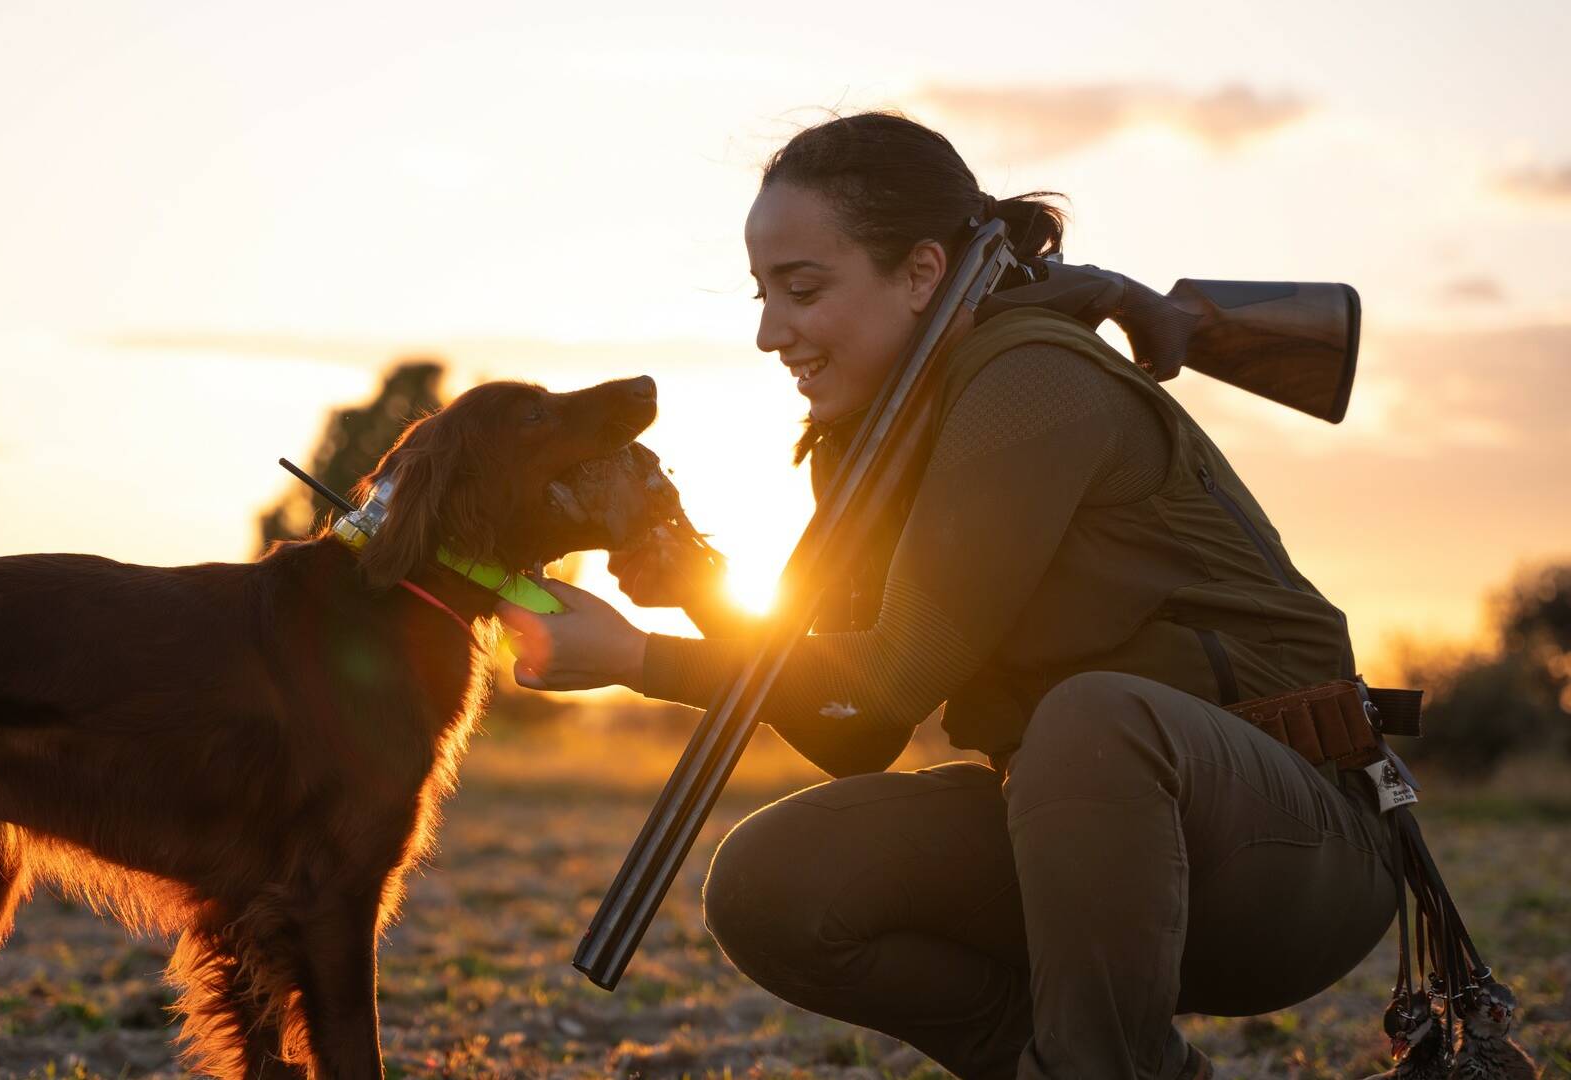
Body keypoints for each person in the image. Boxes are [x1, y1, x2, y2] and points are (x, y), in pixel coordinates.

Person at [497, 111, 1398, 1080]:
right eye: (763, 295)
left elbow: (878, 685)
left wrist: (639, 659)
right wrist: (702, 591)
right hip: (1082, 849)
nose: (768, 332)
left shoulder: (1033, 383)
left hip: (1292, 847)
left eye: (802, 290)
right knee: (771, 885)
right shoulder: (876, 440)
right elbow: (853, 727)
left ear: (924, 274)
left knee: (1089, 720)